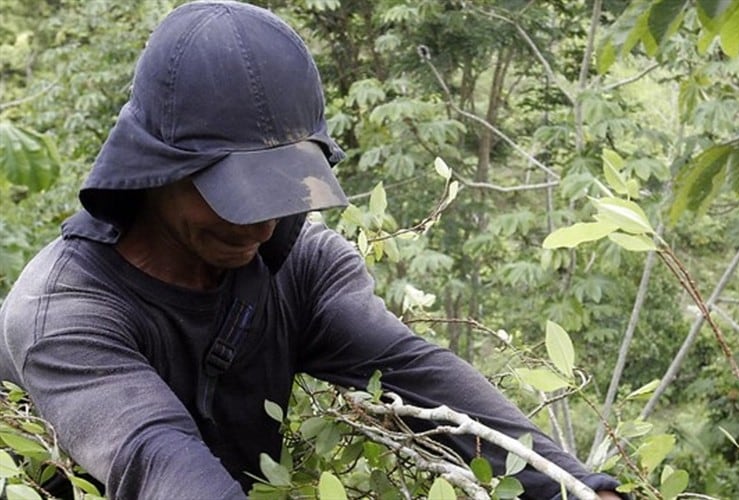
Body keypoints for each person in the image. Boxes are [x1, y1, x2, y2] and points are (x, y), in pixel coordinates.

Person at [0, 2, 626, 499]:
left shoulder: (300, 264)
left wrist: (577, 486)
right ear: (154, 173)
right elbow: (153, 457)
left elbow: (413, 372)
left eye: (280, 195)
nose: (259, 229)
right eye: (229, 197)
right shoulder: (64, 313)